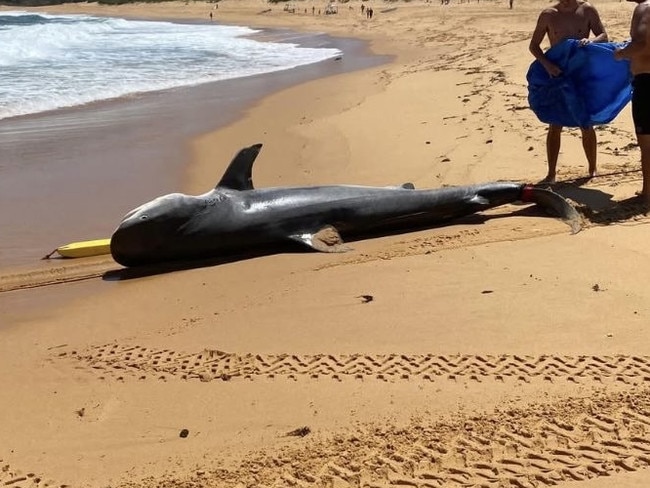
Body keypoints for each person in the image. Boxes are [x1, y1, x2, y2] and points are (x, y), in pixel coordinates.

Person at [529, 0, 608, 183]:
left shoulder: (587, 10)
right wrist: (547, 65)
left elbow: (604, 35)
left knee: (586, 123)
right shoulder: (548, 14)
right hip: (557, 73)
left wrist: (592, 41)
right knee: (555, 123)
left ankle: (592, 169)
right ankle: (551, 173)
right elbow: (534, 45)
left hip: (582, 73)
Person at [615, 0, 650, 204]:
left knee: (646, 142)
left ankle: (648, 193)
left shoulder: (644, 8)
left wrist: (621, 54)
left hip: (647, 80)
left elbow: (642, 44)